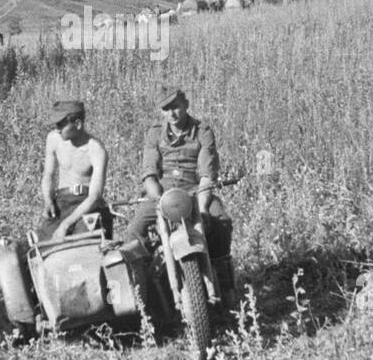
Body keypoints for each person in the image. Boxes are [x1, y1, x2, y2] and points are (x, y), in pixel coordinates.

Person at [121, 85, 237, 308]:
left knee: (221, 222)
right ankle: (143, 296)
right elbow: (149, 174)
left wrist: (202, 210)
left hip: (194, 190)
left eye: (175, 107)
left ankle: (225, 282)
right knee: (134, 231)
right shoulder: (155, 133)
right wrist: (159, 202)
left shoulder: (202, 131)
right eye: (166, 109)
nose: (171, 114)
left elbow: (206, 175)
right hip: (163, 193)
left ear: (186, 106)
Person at [36, 100, 112, 241]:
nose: (57, 128)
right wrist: (48, 200)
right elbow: (48, 175)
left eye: (61, 124)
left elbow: (94, 196)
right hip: (61, 202)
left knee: (83, 243)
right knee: (43, 245)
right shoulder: (53, 139)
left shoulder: (96, 150)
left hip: (85, 204)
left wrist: (66, 225)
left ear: (77, 124)